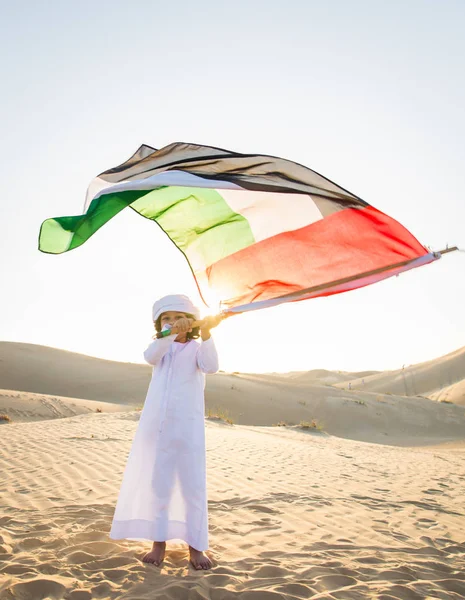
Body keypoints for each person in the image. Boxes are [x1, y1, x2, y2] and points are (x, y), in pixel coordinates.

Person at [109, 294, 221, 570]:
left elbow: (212, 366)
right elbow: (150, 357)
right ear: (159, 324)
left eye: (178, 317)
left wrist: (206, 334)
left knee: (192, 487)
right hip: (157, 428)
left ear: (190, 320)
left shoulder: (196, 349)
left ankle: (196, 547)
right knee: (160, 486)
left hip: (189, 429)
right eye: (166, 319)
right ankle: (158, 543)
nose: (172, 322)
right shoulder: (160, 347)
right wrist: (170, 335)